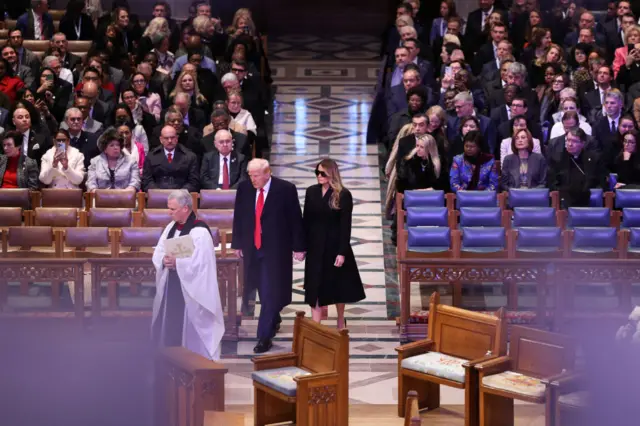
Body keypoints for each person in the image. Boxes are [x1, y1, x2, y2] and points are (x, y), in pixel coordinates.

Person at [231, 159, 305, 353]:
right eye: (250, 175)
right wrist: (237, 243)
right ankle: (274, 318)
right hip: (251, 247)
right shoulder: (244, 188)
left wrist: (299, 247)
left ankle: (264, 336)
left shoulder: (286, 189)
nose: (252, 179)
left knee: (270, 289)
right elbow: (238, 216)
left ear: (267, 173)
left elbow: (295, 219)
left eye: (256, 175)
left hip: (275, 249)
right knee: (260, 287)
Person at [151, 189, 225, 361]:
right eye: (169, 208)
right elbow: (159, 251)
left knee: (191, 328)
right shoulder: (170, 228)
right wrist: (163, 260)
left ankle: (196, 362)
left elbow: (203, 264)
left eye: (172, 209)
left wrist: (178, 263)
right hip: (172, 286)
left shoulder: (200, 232)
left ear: (185, 208)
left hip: (192, 291)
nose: (169, 213)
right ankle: (171, 362)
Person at [302, 159, 365, 328]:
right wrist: (302, 246)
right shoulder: (311, 192)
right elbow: (306, 220)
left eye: (323, 173)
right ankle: (316, 325)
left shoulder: (343, 194)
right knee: (314, 285)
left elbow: (346, 226)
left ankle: (340, 318)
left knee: (338, 285)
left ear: (332, 173)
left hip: (334, 246)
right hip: (315, 246)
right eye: (317, 172)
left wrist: (342, 252)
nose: (319, 176)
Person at [548, 128, 606, 208]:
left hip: (588, 200)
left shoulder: (594, 159)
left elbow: (601, 182)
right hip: (564, 201)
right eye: (568, 140)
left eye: (574, 141)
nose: (570, 144)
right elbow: (553, 183)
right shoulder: (558, 159)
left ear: (583, 143)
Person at [86, 127, 140, 192]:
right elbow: (91, 183)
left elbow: (135, 182)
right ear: (105, 149)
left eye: (118, 145)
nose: (116, 148)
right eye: (112, 145)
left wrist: (126, 192)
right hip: (101, 198)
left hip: (125, 197)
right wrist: (98, 193)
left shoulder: (131, 161)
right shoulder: (95, 162)